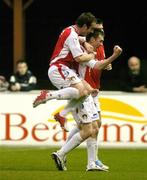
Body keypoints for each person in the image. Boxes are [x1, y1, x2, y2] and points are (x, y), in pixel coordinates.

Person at [33, 12, 122, 171]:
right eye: (95, 34)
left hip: (79, 86)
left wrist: (111, 57)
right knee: (89, 126)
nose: (99, 38)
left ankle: (83, 159)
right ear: (88, 31)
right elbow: (81, 58)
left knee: (90, 120)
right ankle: (75, 156)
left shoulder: (78, 38)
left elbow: (97, 65)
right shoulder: (79, 43)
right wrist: (91, 53)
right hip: (60, 69)